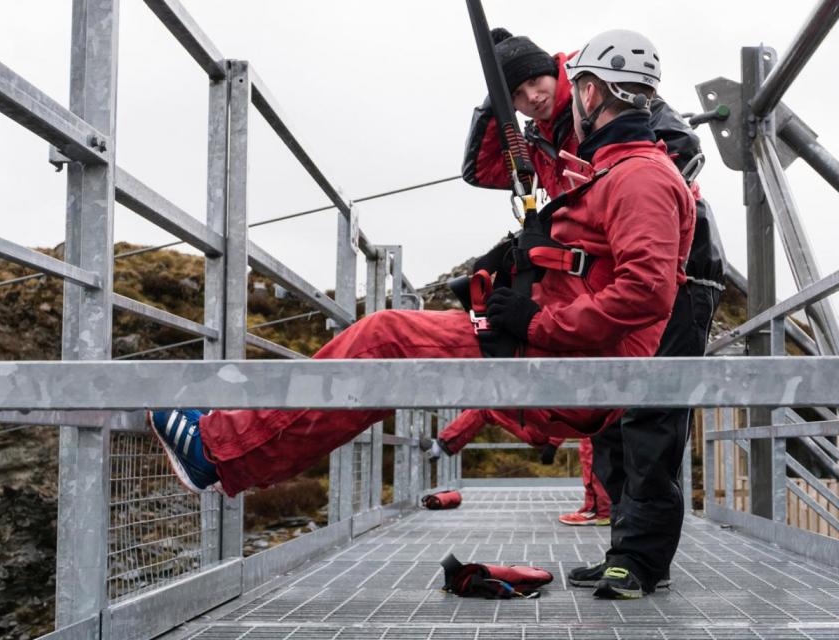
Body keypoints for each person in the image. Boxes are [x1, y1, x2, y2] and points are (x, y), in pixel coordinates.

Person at [148, 28, 696, 598]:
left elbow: (645, 293)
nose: (542, 97)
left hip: (575, 364)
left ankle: (217, 451)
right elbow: (509, 185)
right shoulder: (610, 168)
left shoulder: (638, 176)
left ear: (585, 93)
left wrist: (532, 321)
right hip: (571, 356)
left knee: (385, 337)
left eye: (554, 83)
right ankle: (230, 451)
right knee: (389, 342)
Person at [442, 27, 725, 534]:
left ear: (557, 69)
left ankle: (643, 554)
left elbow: (682, 150)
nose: (533, 97)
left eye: (534, 80)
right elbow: (480, 170)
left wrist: (604, 208)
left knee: (651, 407)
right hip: (606, 274)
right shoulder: (537, 137)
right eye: (518, 96)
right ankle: (625, 540)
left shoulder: (610, 93)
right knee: (610, 405)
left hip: (678, 267)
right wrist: (496, 94)